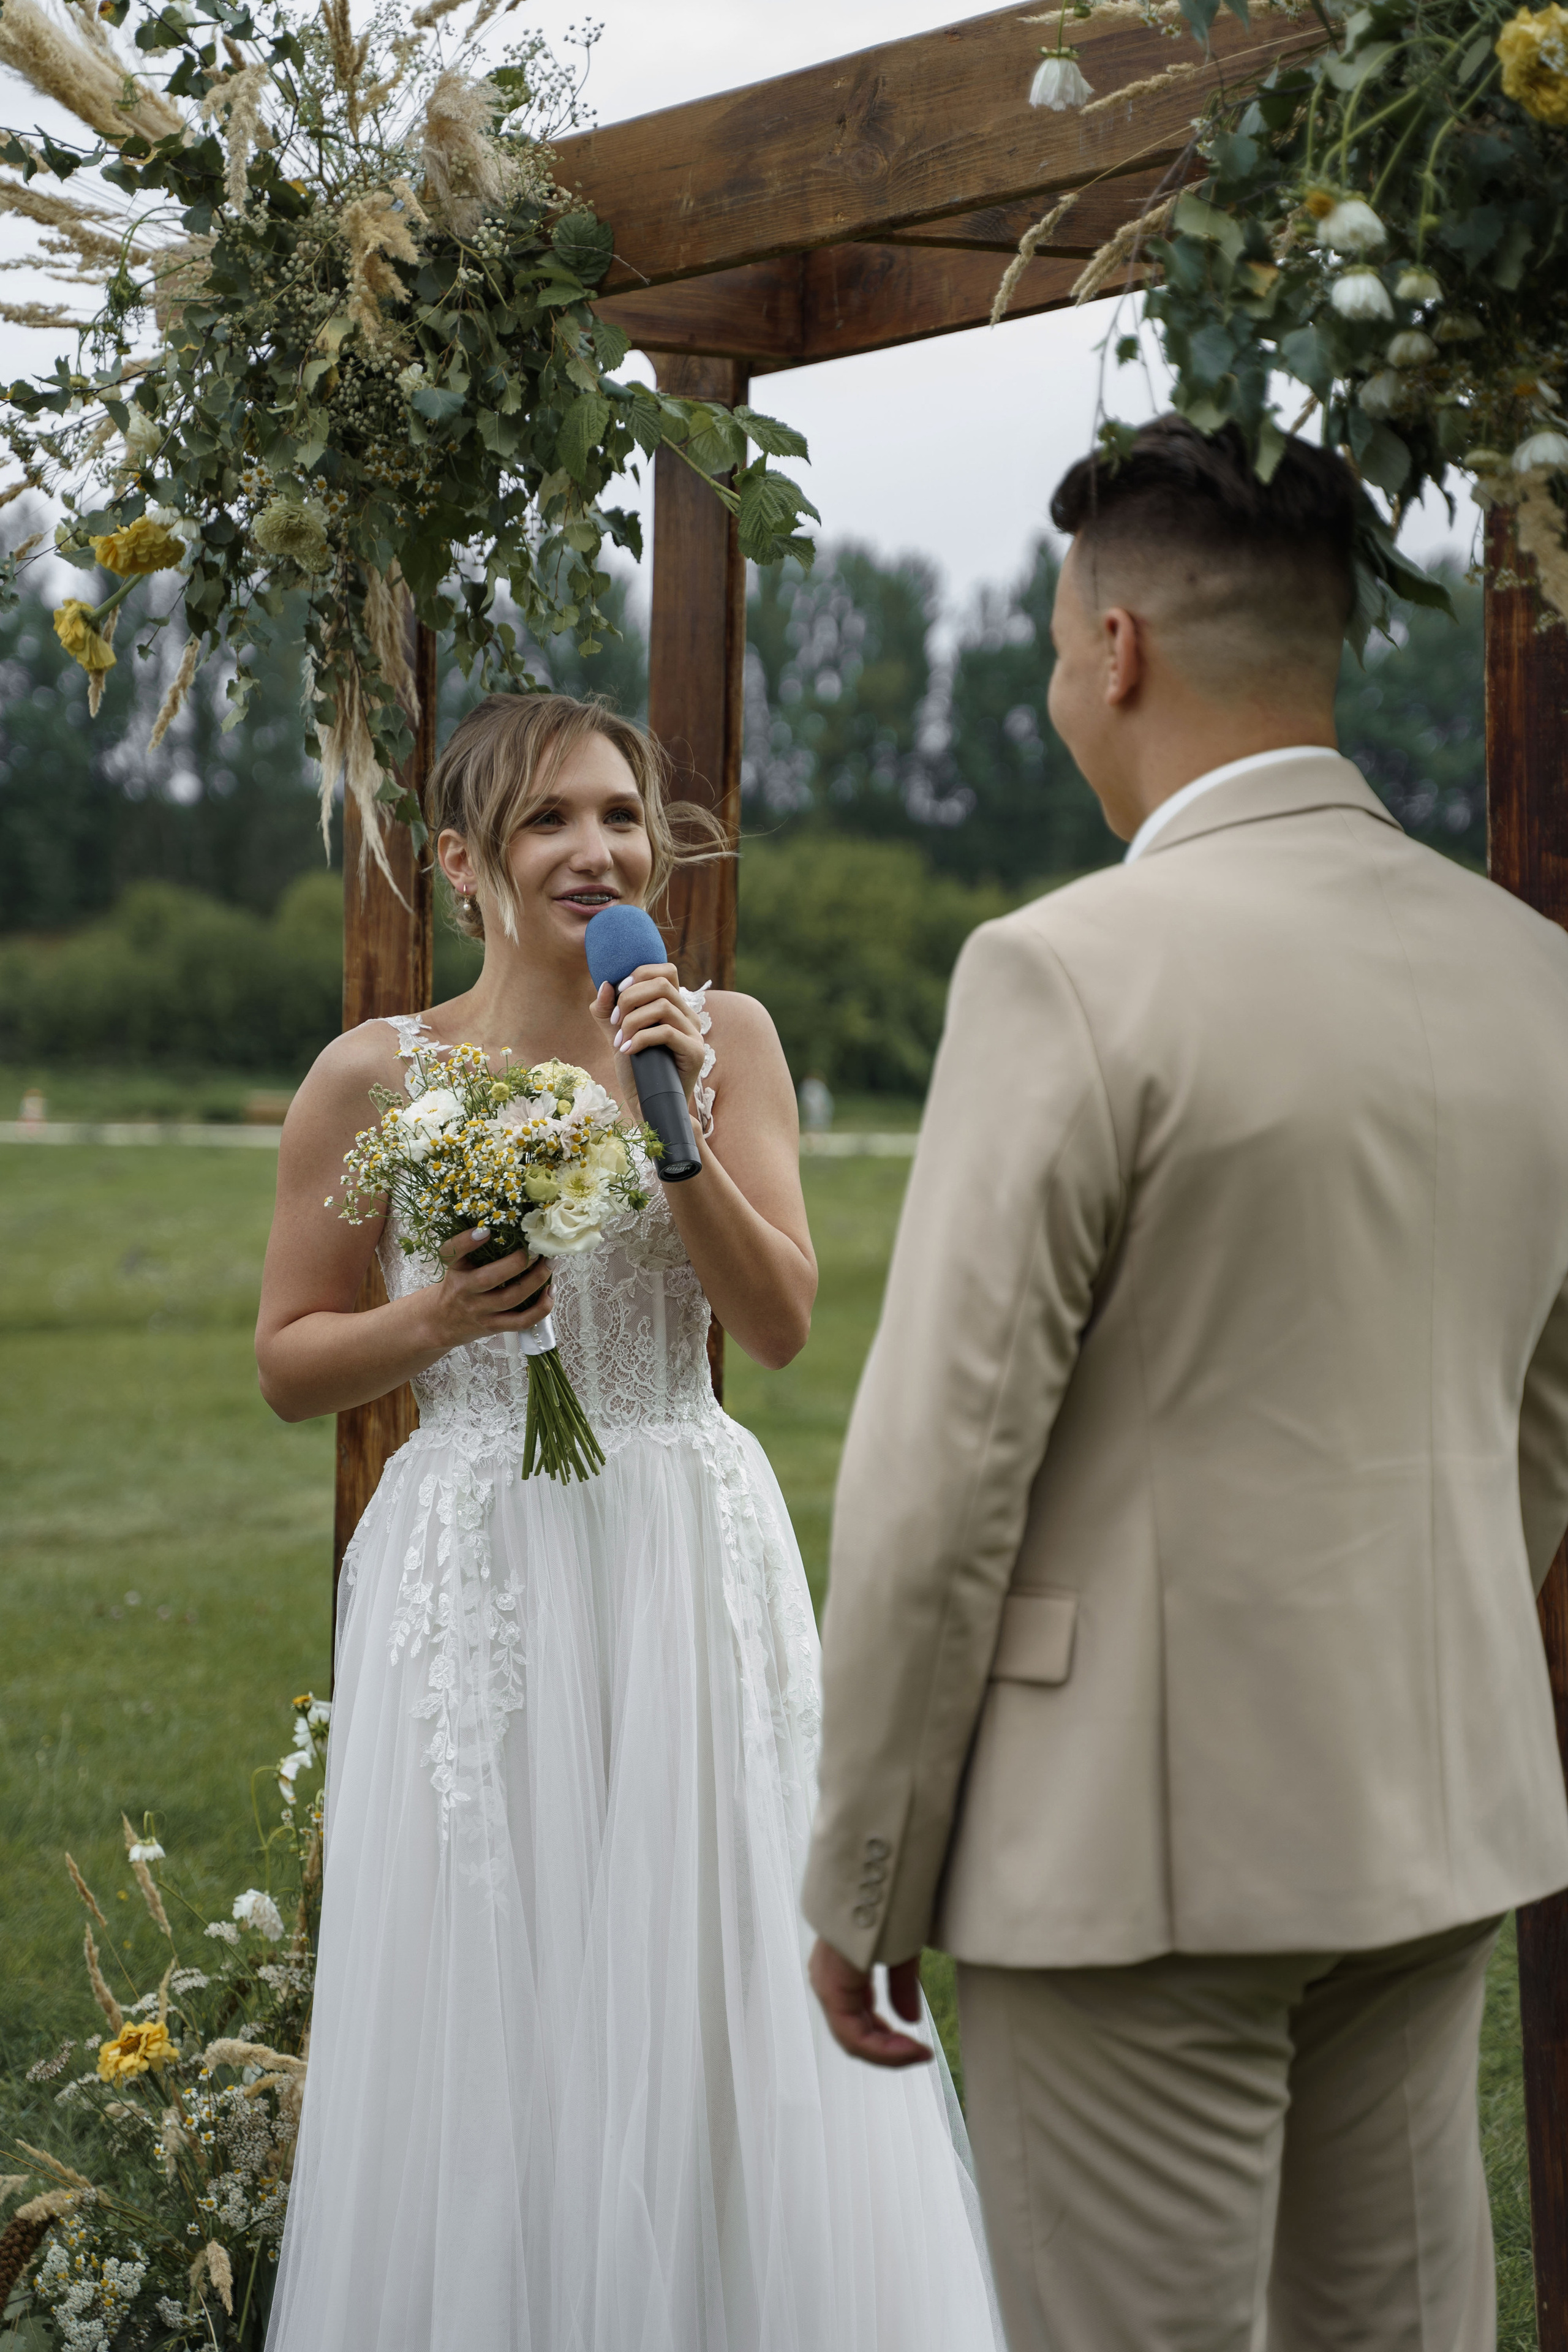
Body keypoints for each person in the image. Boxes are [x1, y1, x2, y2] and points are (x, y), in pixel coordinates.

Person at [802, 417, 1568, 2352]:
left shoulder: (1067, 971)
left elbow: (939, 1473)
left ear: (1118, 648)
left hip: (1125, 1851)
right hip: (1429, 1800)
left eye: (1061, 643)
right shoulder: (1533, 972)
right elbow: (1547, 1421)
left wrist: (869, 1871)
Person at [254, 692, 1001, 2352]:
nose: (594, 849)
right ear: (461, 864)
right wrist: (433, 1326)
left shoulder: (724, 1036)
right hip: (475, 1564)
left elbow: (787, 1320)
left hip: (680, 1536)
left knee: (710, 1952)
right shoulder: (375, 1074)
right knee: (485, 1967)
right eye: (545, 822)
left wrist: (673, 1125)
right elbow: (292, 1360)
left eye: (618, 816)